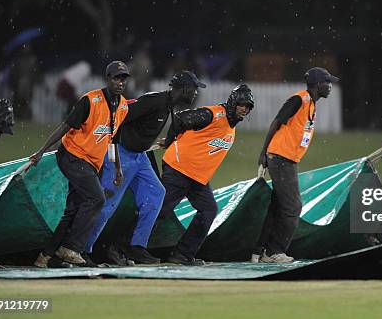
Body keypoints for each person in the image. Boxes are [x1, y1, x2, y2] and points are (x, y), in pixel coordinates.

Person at [83, 71, 206, 265]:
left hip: (140, 157)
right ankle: (82, 251)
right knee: (106, 205)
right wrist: (114, 161)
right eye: (194, 90)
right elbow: (116, 123)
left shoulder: (168, 106)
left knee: (156, 193)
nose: (196, 94)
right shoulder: (154, 101)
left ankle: (135, 247)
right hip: (121, 154)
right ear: (185, 89)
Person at [31, 61, 130, 267]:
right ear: (107, 79)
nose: (120, 82)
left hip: (90, 164)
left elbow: (113, 140)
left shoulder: (123, 107)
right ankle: (71, 248)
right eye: (116, 78)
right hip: (72, 156)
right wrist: (41, 150)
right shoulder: (90, 100)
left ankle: (46, 256)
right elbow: (64, 127)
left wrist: (117, 168)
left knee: (74, 209)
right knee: (96, 198)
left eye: (123, 79)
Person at [154, 84, 254, 265]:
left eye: (248, 106)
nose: (244, 109)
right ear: (233, 102)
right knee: (159, 210)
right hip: (179, 169)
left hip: (197, 178)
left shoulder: (231, 127)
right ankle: (123, 247)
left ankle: (182, 254)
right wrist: (170, 141)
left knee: (208, 210)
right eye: (241, 104)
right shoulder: (213, 114)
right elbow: (180, 118)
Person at [253, 67, 337, 263]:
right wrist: (263, 153)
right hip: (281, 159)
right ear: (318, 85)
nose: (331, 86)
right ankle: (274, 252)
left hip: (286, 159)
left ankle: (259, 251)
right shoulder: (299, 99)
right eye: (328, 82)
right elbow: (276, 122)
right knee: (293, 207)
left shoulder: (311, 103)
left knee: (278, 207)